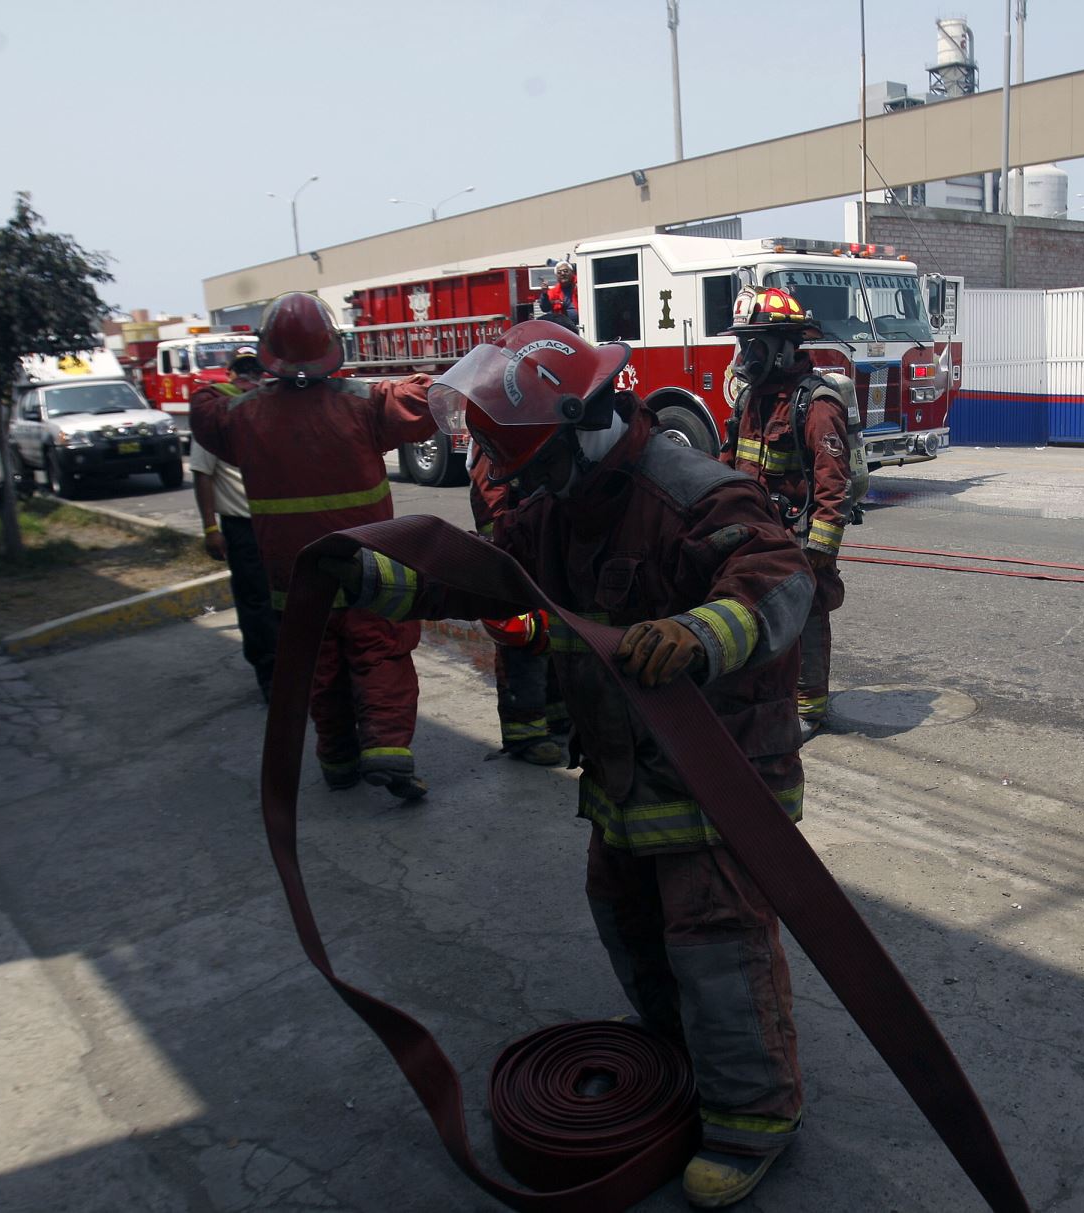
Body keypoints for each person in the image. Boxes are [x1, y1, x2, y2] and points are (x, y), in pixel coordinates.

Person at [323, 322, 815, 1206]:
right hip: (624, 766)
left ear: (583, 424)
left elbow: (782, 576)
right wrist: (370, 579)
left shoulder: (686, 488)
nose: (527, 485)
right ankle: (675, 1053)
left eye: (537, 465)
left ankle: (753, 1118)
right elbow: (488, 579)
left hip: (719, 767)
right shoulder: (563, 499)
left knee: (713, 939)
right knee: (625, 914)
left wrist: (700, 633)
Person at [190, 293, 438, 800]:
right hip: (364, 563)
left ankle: (338, 761)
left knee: (319, 665)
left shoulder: (243, 416)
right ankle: (388, 750)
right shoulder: (364, 404)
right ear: (331, 346)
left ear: (268, 353)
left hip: (295, 577)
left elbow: (204, 411)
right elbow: (426, 402)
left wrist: (238, 386)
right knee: (379, 651)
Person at [716, 286, 853, 741]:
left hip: (796, 537)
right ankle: (767, 696)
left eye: (753, 344)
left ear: (782, 346)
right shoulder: (750, 400)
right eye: (742, 343)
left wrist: (819, 549)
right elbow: (728, 462)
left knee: (807, 618)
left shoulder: (815, 404)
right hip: (753, 534)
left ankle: (809, 709)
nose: (745, 354)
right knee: (751, 611)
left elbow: (834, 484)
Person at [189, 349, 278, 700]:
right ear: (229, 375)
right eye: (243, 370)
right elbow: (202, 474)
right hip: (242, 526)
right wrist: (210, 527)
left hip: (278, 522)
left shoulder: (269, 412)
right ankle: (269, 675)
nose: (250, 377)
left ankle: (296, 667)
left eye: (255, 370)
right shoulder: (219, 417)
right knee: (256, 601)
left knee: (286, 598)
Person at [468, 446, 565, 765]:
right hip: (517, 552)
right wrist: (511, 544)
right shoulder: (496, 434)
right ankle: (525, 735)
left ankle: (558, 715)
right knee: (523, 637)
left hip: (546, 544)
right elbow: (492, 507)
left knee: (555, 633)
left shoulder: (530, 418)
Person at [533, 260, 578, 330]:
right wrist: (544, 294)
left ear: (572, 272)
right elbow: (545, 308)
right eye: (559, 272)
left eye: (566, 271)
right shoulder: (553, 292)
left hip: (582, 325)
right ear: (556, 276)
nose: (562, 274)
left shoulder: (580, 285)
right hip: (564, 329)